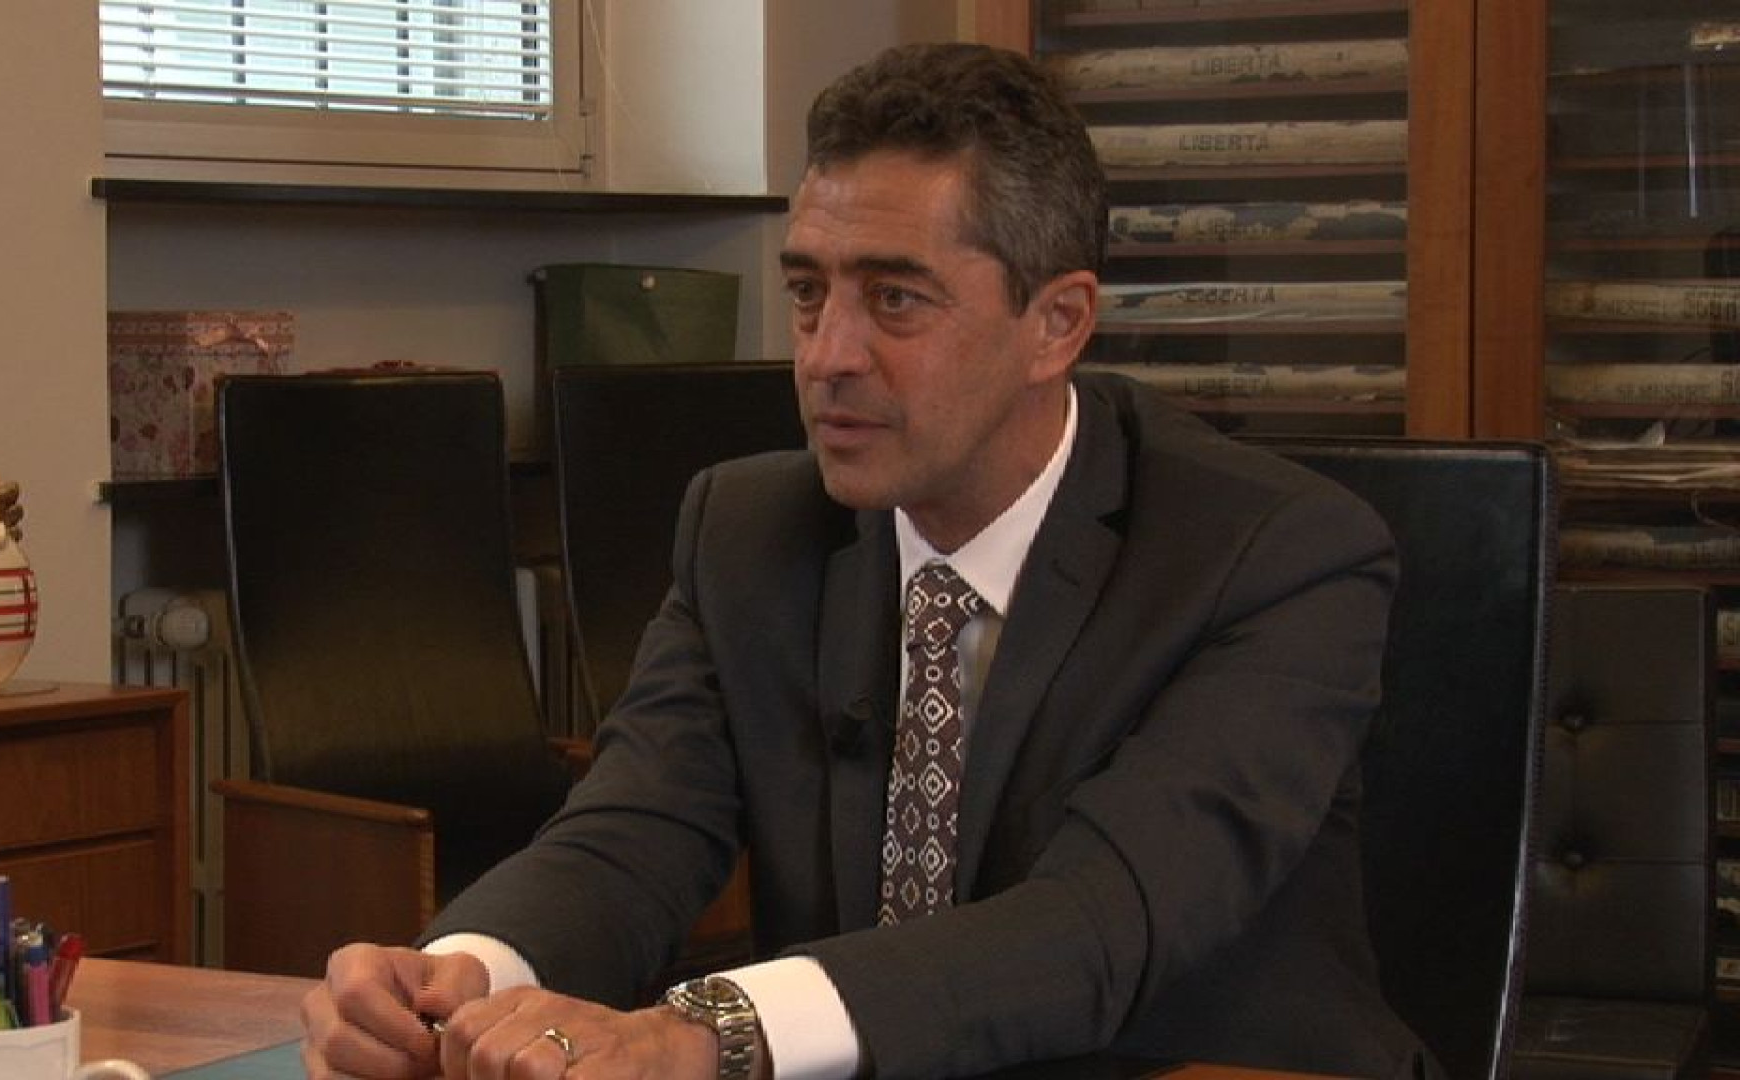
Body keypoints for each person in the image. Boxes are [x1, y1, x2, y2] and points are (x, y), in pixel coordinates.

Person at [302, 41, 1429, 1080]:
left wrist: (710, 1030)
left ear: (1058, 324)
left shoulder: (1273, 557)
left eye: (895, 299)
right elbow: (634, 830)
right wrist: (463, 976)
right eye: (808, 292)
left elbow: (1099, 921)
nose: (828, 356)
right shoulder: (748, 530)